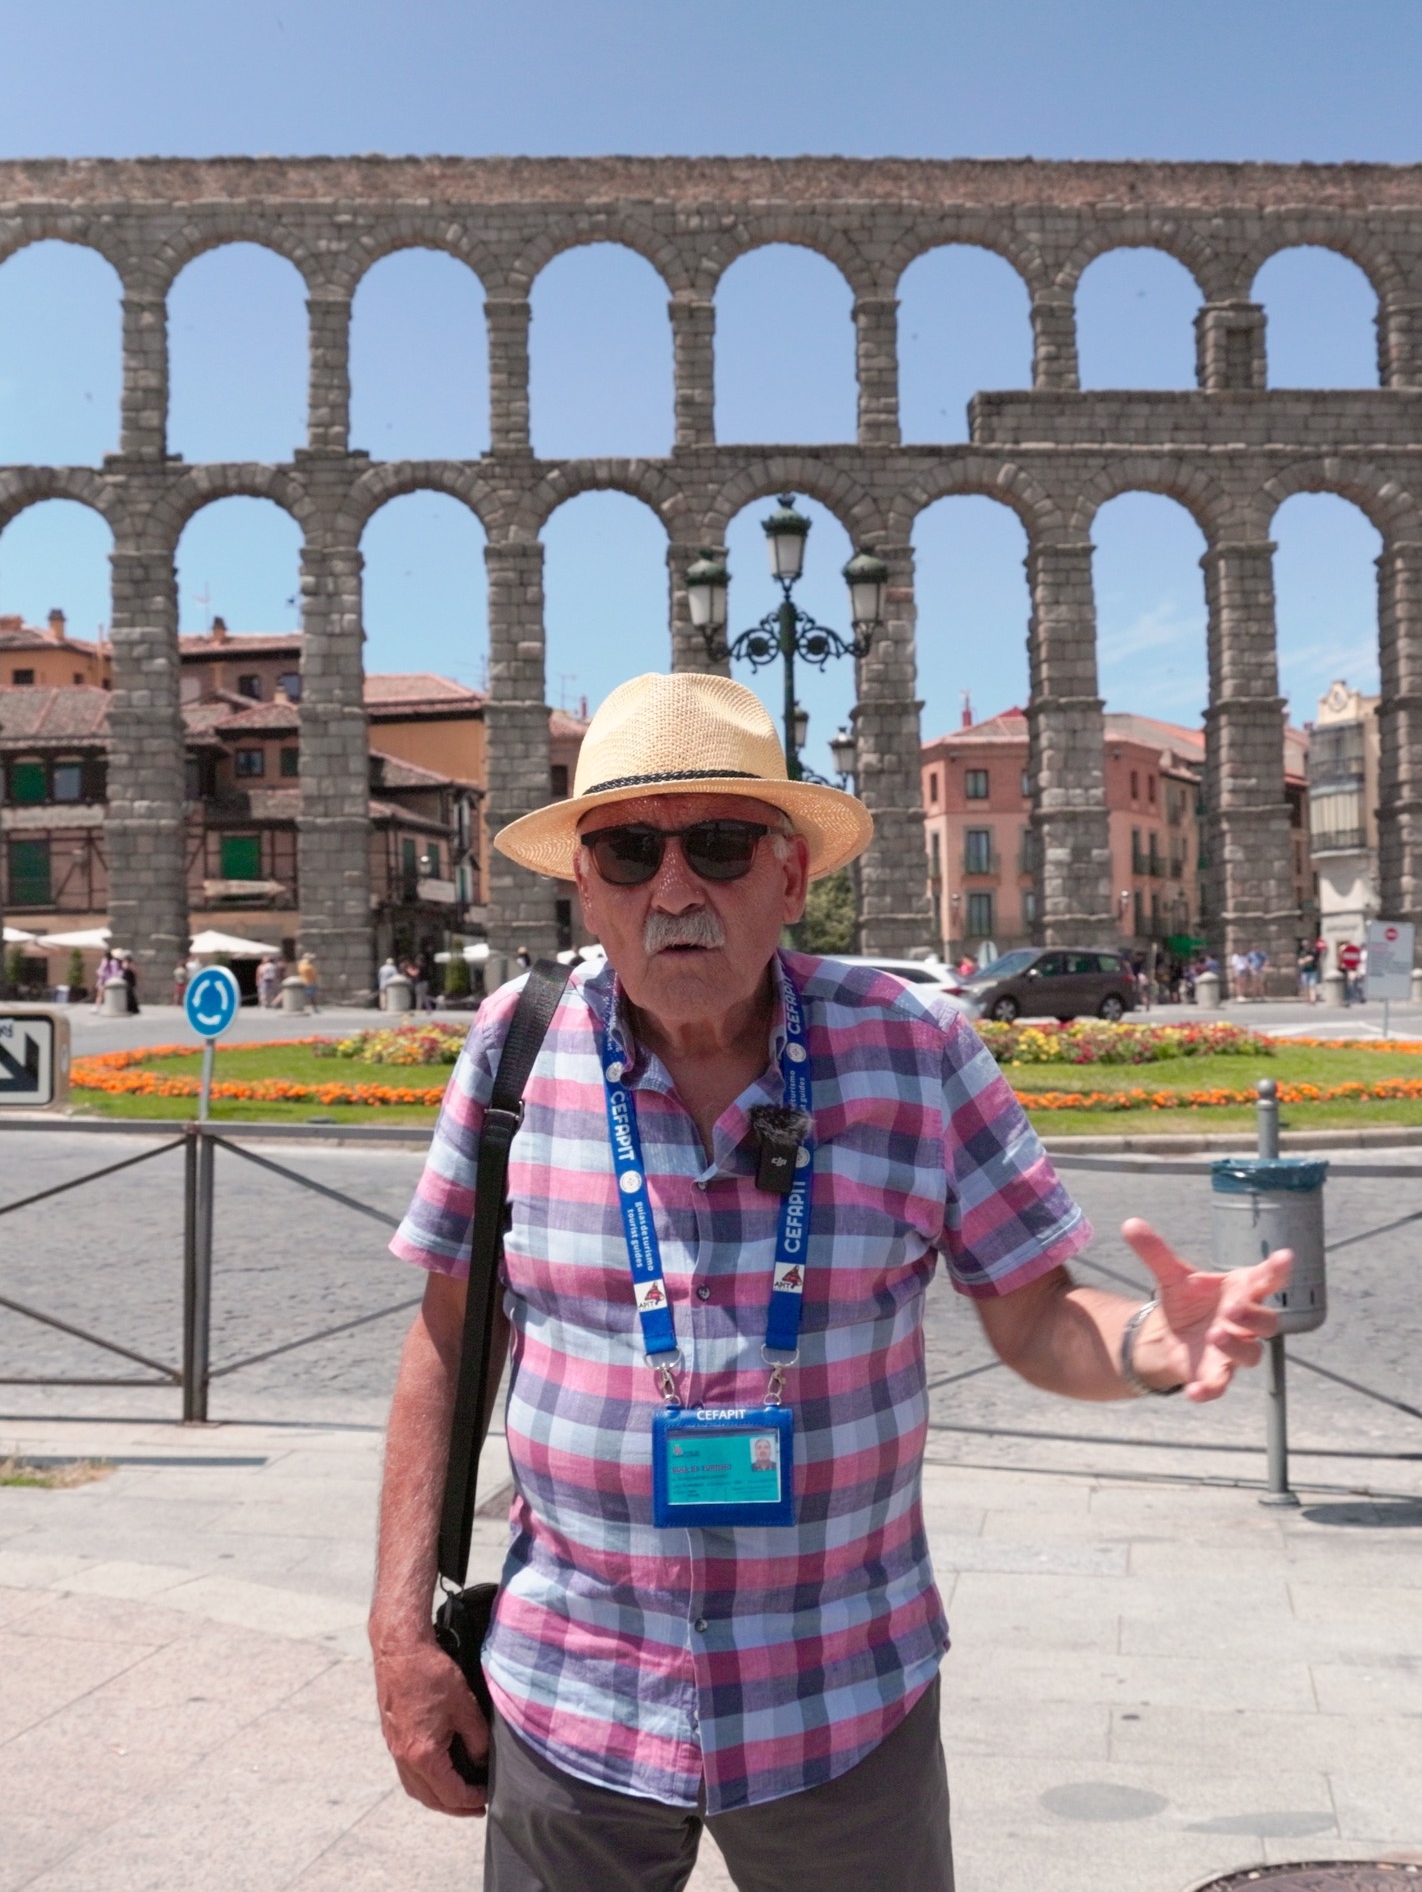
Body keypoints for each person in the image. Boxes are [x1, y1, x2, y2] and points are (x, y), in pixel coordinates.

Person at [370, 673, 1290, 1892]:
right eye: (632, 849)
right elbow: (445, 1341)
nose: (676, 886)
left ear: (791, 876)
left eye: (720, 844)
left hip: (841, 1693)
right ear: (583, 884)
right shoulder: (511, 1048)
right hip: (571, 1690)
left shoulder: (915, 1046)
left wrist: (1147, 1346)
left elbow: (1037, 1306)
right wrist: (398, 1628)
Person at [297, 949, 319, 1014]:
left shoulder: (300, 965)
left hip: (302, 981)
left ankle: (301, 1007)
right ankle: (314, 1008)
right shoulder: (309, 966)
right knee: (312, 996)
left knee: (304, 996)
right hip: (310, 982)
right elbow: (314, 975)